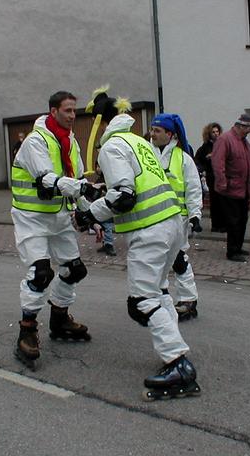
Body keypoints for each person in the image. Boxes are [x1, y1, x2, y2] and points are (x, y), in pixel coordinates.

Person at [74, 87, 200, 401]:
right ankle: (174, 351)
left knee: (142, 300)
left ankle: (178, 364)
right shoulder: (139, 142)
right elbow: (135, 184)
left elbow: (124, 196)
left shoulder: (111, 146)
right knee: (159, 291)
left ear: (101, 123)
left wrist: (90, 214)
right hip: (171, 223)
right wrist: (101, 192)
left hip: (149, 229)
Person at [10, 91, 99, 370]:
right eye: (67, 110)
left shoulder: (70, 142)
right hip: (32, 218)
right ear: (53, 111)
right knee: (40, 274)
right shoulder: (36, 141)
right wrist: (83, 189)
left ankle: (59, 318)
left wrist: (90, 214)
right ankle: (26, 330)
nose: (73, 116)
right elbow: (48, 179)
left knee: (75, 270)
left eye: (74, 111)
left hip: (58, 217)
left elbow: (75, 179)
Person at [149, 113, 202, 321]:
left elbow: (193, 188)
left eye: (157, 130)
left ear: (170, 134)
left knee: (178, 259)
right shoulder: (146, 154)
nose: (152, 134)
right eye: (152, 130)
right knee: (155, 260)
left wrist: (195, 215)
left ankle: (188, 300)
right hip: (152, 218)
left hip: (178, 219)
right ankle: (157, 299)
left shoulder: (183, 159)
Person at [211, 114, 250, 262]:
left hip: (243, 189)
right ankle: (232, 251)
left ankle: (238, 247)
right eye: (249, 128)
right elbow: (218, 163)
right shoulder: (225, 140)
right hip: (230, 190)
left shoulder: (246, 144)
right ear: (241, 126)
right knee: (233, 221)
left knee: (242, 220)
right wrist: (222, 184)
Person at [194, 122, 225, 232]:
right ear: (209, 134)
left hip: (222, 175)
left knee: (223, 200)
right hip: (212, 176)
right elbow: (197, 160)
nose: (216, 134)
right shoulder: (205, 147)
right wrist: (206, 161)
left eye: (217, 131)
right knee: (215, 200)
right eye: (213, 132)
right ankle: (216, 225)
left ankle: (223, 224)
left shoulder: (222, 144)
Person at [93, 161, 116, 256]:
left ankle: (109, 244)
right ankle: (105, 243)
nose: (98, 169)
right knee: (102, 226)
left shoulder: (108, 179)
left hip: (107, 207)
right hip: (100, 207)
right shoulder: (99, 180)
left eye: (100, 166)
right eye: (97, 166)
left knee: (107, 226)